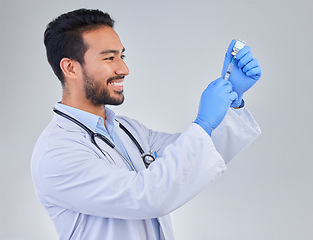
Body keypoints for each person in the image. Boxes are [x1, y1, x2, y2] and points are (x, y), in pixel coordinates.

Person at [31, 8, 262, 240]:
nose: (123, 69)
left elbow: (193, 155)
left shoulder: (127, 129)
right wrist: (202, 123)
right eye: (110, 58)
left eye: (122, 56)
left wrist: (231, 99)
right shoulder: (57, 151)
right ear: (70, 68)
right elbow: (147, 195)